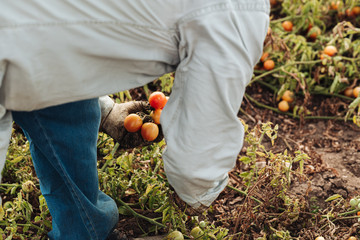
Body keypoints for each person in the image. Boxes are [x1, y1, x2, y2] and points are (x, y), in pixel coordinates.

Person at [0, 0, 270, 239]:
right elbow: (202, 137)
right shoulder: (239, 12)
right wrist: (195, 194)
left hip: (29, 31)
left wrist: (104, 109)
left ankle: (84, 232)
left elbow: (57, 23)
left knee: (64, 111)